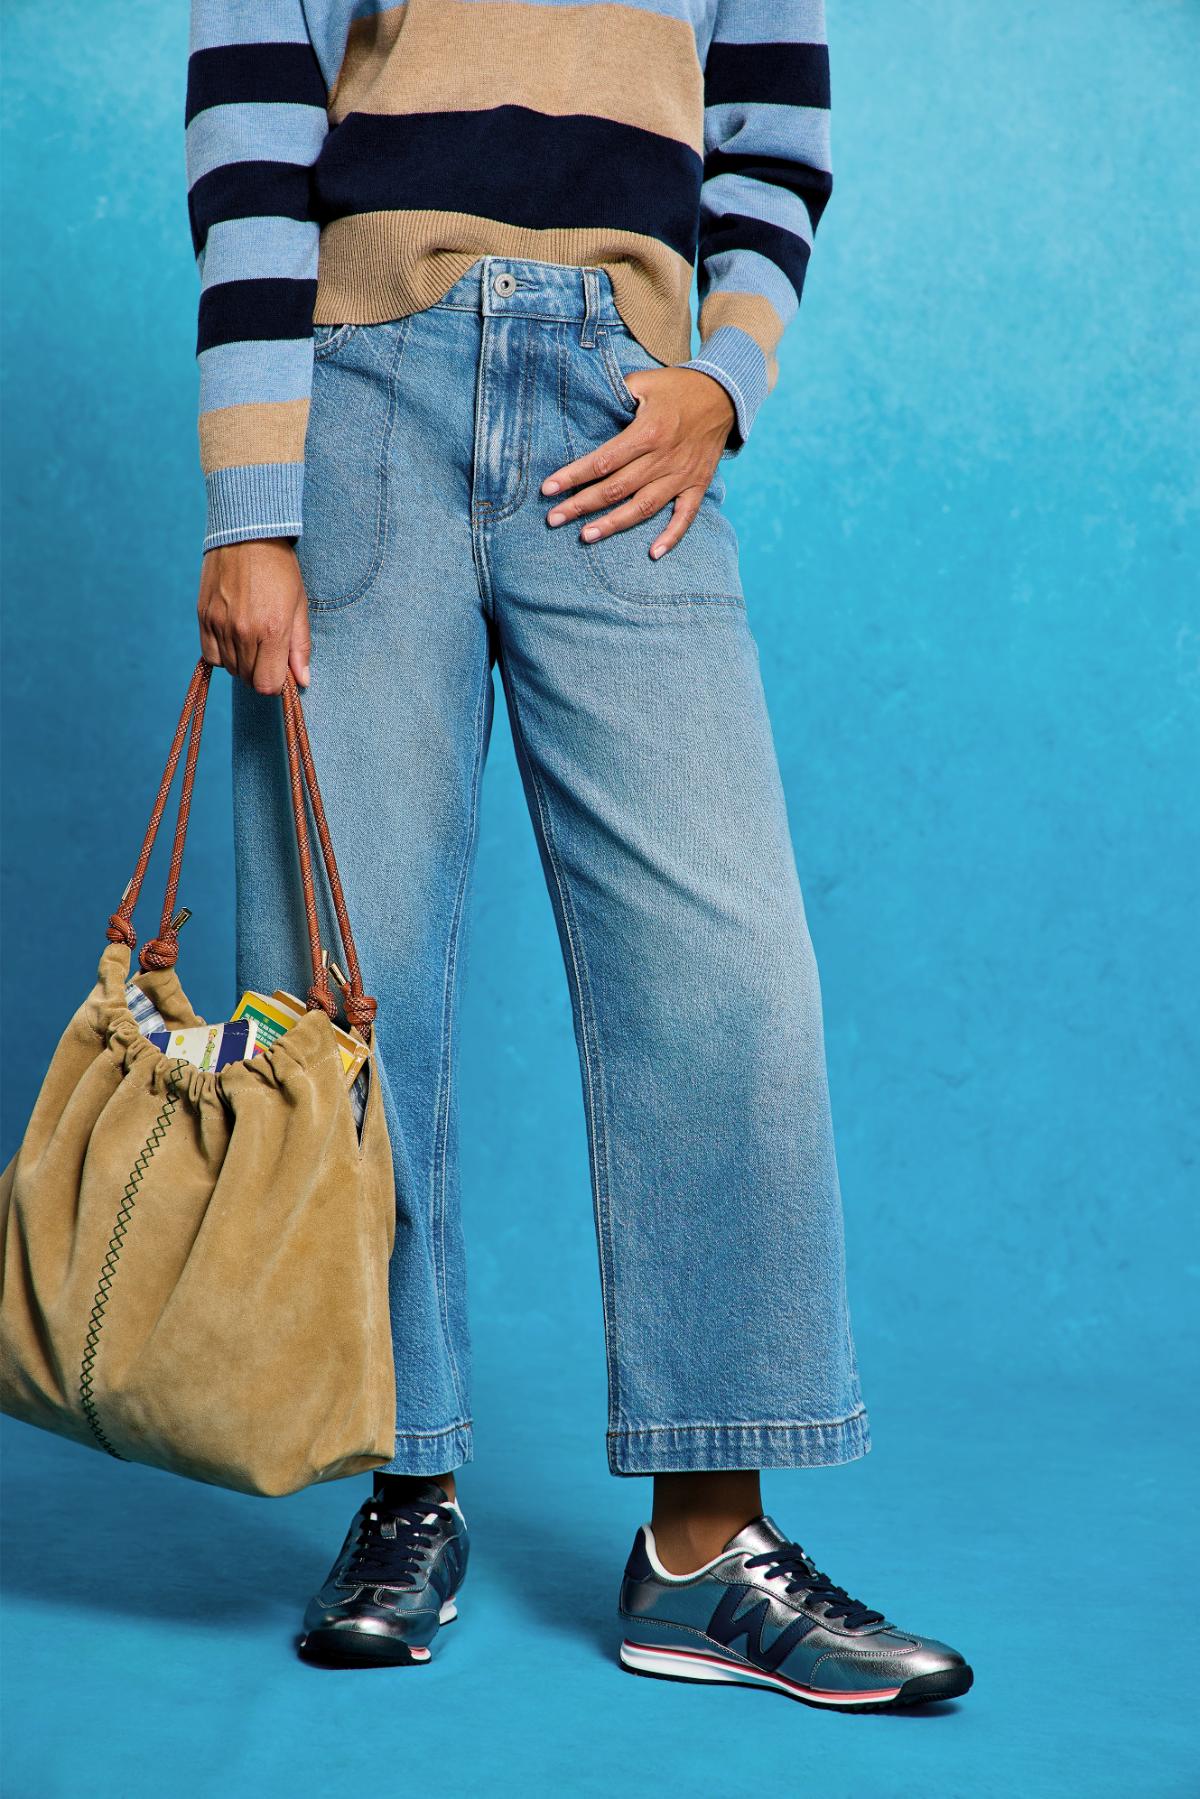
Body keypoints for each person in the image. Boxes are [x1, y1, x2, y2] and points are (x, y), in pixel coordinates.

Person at [187, 0, 973, 1709]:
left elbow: (777, 138)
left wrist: (722, 382)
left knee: (729, 976)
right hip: (359, 392)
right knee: (347, 986)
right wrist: (252, 504)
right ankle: (406, 1489)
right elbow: (250, 126)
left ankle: (703, 1551)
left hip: (620, 408)